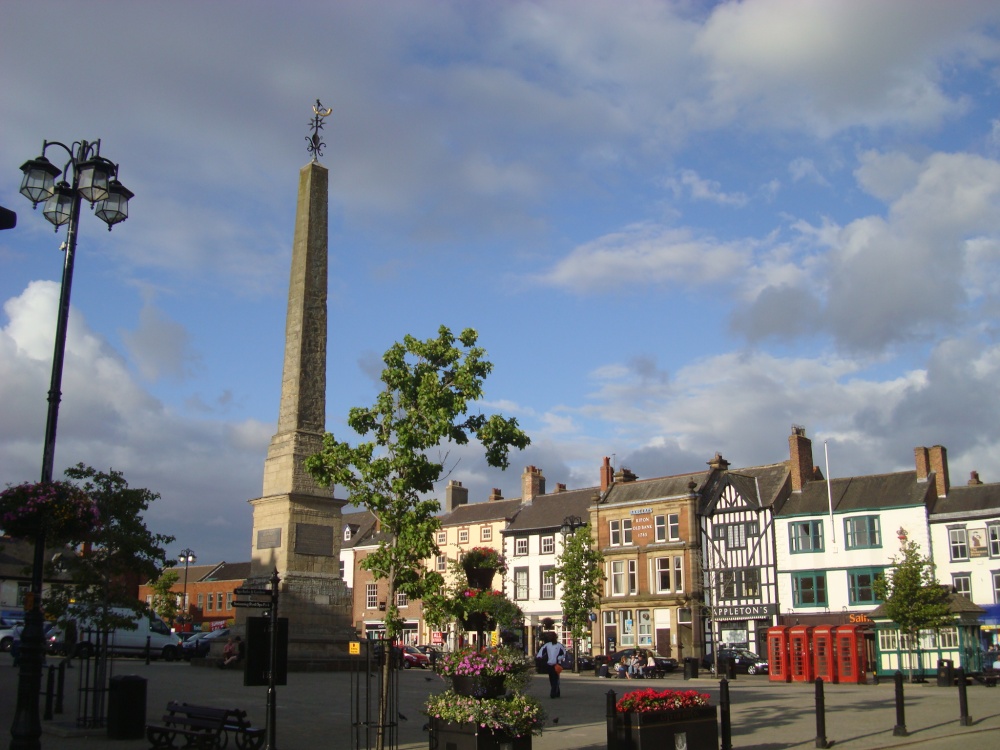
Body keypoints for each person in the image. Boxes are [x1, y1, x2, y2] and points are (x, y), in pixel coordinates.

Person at [536, 632, 566, 698]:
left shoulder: (559, 645)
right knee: (551, 678)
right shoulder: (547, 645)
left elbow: (563, 653)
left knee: (555, 678)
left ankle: (553, 692)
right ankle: (557, 691)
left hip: (556, 664)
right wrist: (539, 657)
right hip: (549, 664)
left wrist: (559, 658)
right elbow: (541, 651)